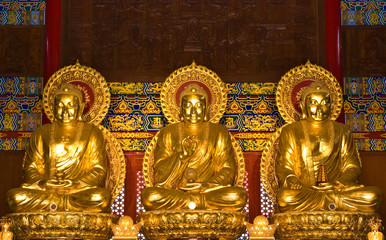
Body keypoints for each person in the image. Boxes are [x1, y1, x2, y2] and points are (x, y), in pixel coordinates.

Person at [275, 82, 383, 212]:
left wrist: (337, 183)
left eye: (324, 103)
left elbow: (353, 167)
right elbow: (283, 167)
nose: (319, 109)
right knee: (284, 198)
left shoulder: (342, 131)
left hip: (336, 191)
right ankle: (331, 206)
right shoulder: (291, 131)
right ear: (303, 106)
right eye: (313, 103)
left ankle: (326, 204)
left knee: (374, 195)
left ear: (331, 105)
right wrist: (292, 180)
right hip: (306, 193)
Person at [141, 84, 247, 211]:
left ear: (206, 109)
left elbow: (228, 170)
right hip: (178, 192)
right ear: (180, 109)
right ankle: (197, 203)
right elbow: (159, 175)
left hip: (206, 192)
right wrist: (181, 157)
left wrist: (204, 186)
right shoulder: (168, 132)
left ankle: (193, 202)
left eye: (198, 106)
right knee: (150, 196)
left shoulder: (219, 132)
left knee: (238, 196)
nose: (193, 112)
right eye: (188, 106)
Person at [7, 83, 111, 213]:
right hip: (47, 190)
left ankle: (56, 204)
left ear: (80, 108)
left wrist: (76, 184)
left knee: (101, 198)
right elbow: (31, 167)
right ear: (53, 108)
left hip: (77, 191)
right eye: (60, 106)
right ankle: (63, 204)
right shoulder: (42, 132)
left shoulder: (92, 132)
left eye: (70, 106)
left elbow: (99, 169)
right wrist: (42, 183)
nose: (65, 111)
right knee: (15, 197)